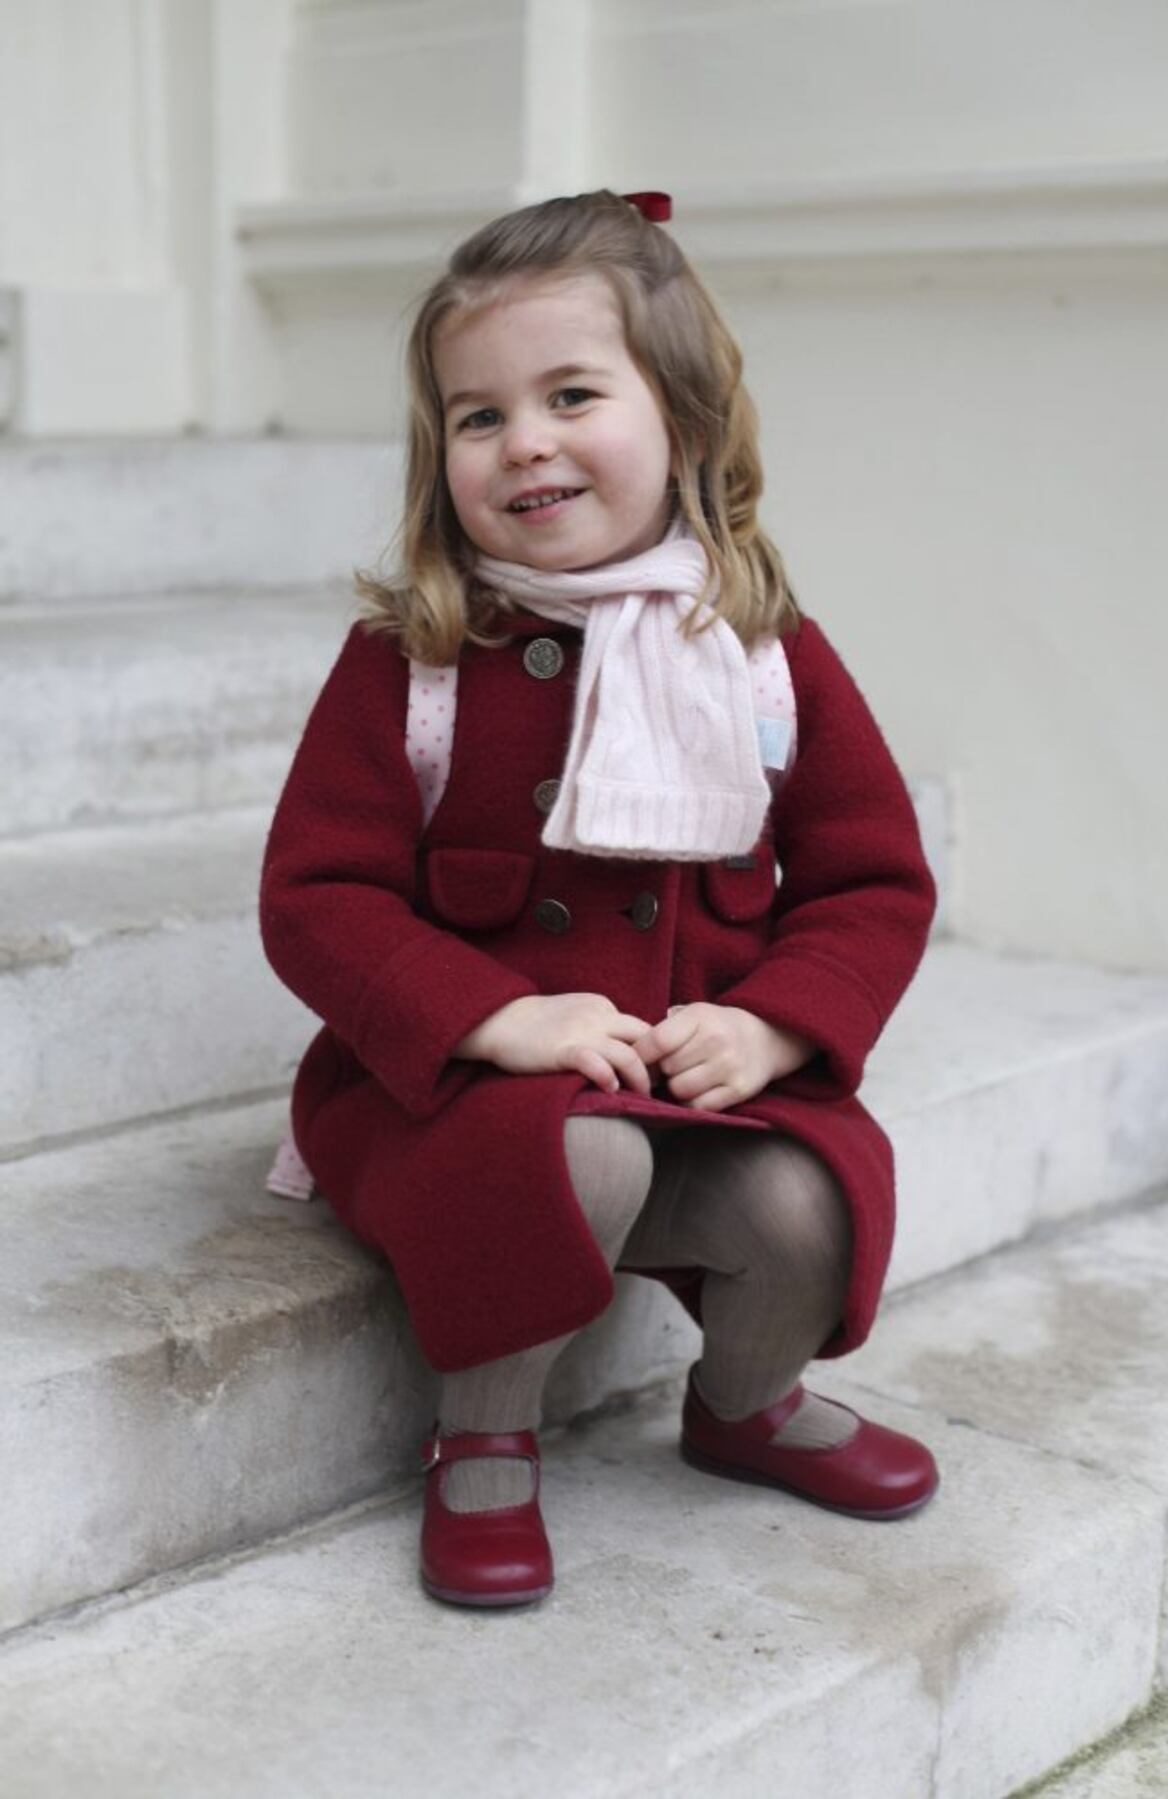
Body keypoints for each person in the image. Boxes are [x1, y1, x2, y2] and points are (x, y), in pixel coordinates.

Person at [260, 188, 939, 1611]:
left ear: (682, 420)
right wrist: (493, 1017)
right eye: (477, 414)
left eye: (572, 393)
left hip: (695, 1088)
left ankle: (744, 1405)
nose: (526, 442)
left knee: (809, 1196)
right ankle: (484, 1433)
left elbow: (873, 880)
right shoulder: (420, 663)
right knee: (583, 1162)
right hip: (465, 1102)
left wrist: (771, 1032)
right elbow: (318, 897)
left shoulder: (756, 651)